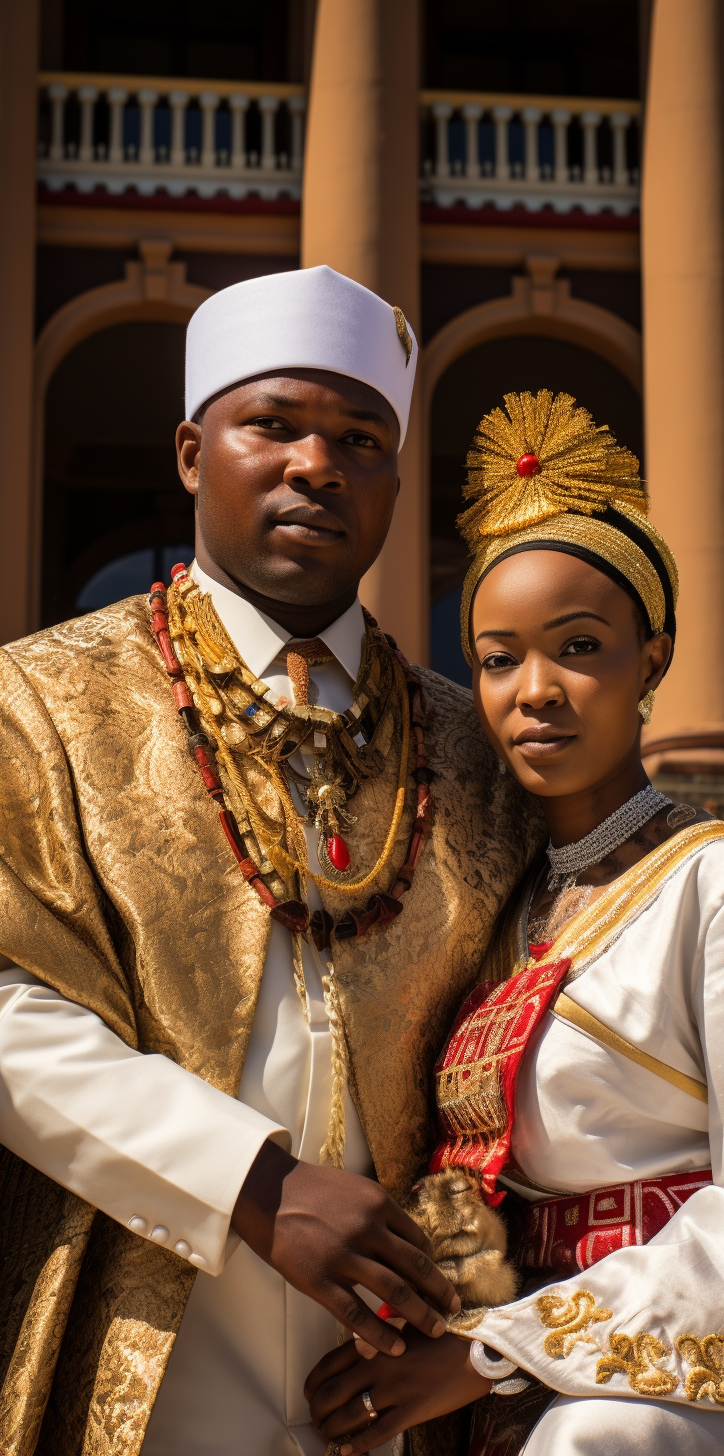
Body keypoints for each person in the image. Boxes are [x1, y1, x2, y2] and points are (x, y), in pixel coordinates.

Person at [0, 268, 545, 1456]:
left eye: (362, 439)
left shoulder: (474, 745)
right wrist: (254, 1184)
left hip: (411, 1362)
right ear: (195, 452)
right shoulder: (40, 698)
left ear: (396, 481)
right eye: (276, 425)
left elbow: (579, 975)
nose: (318, 463)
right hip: (149, 1312)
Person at [305, 389, 724, 1456]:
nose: (534, 690)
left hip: (669, 1396)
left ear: (655, 660)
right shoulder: (494, 903)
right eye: (498, 658)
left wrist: (503, 1348)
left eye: (578, 647)